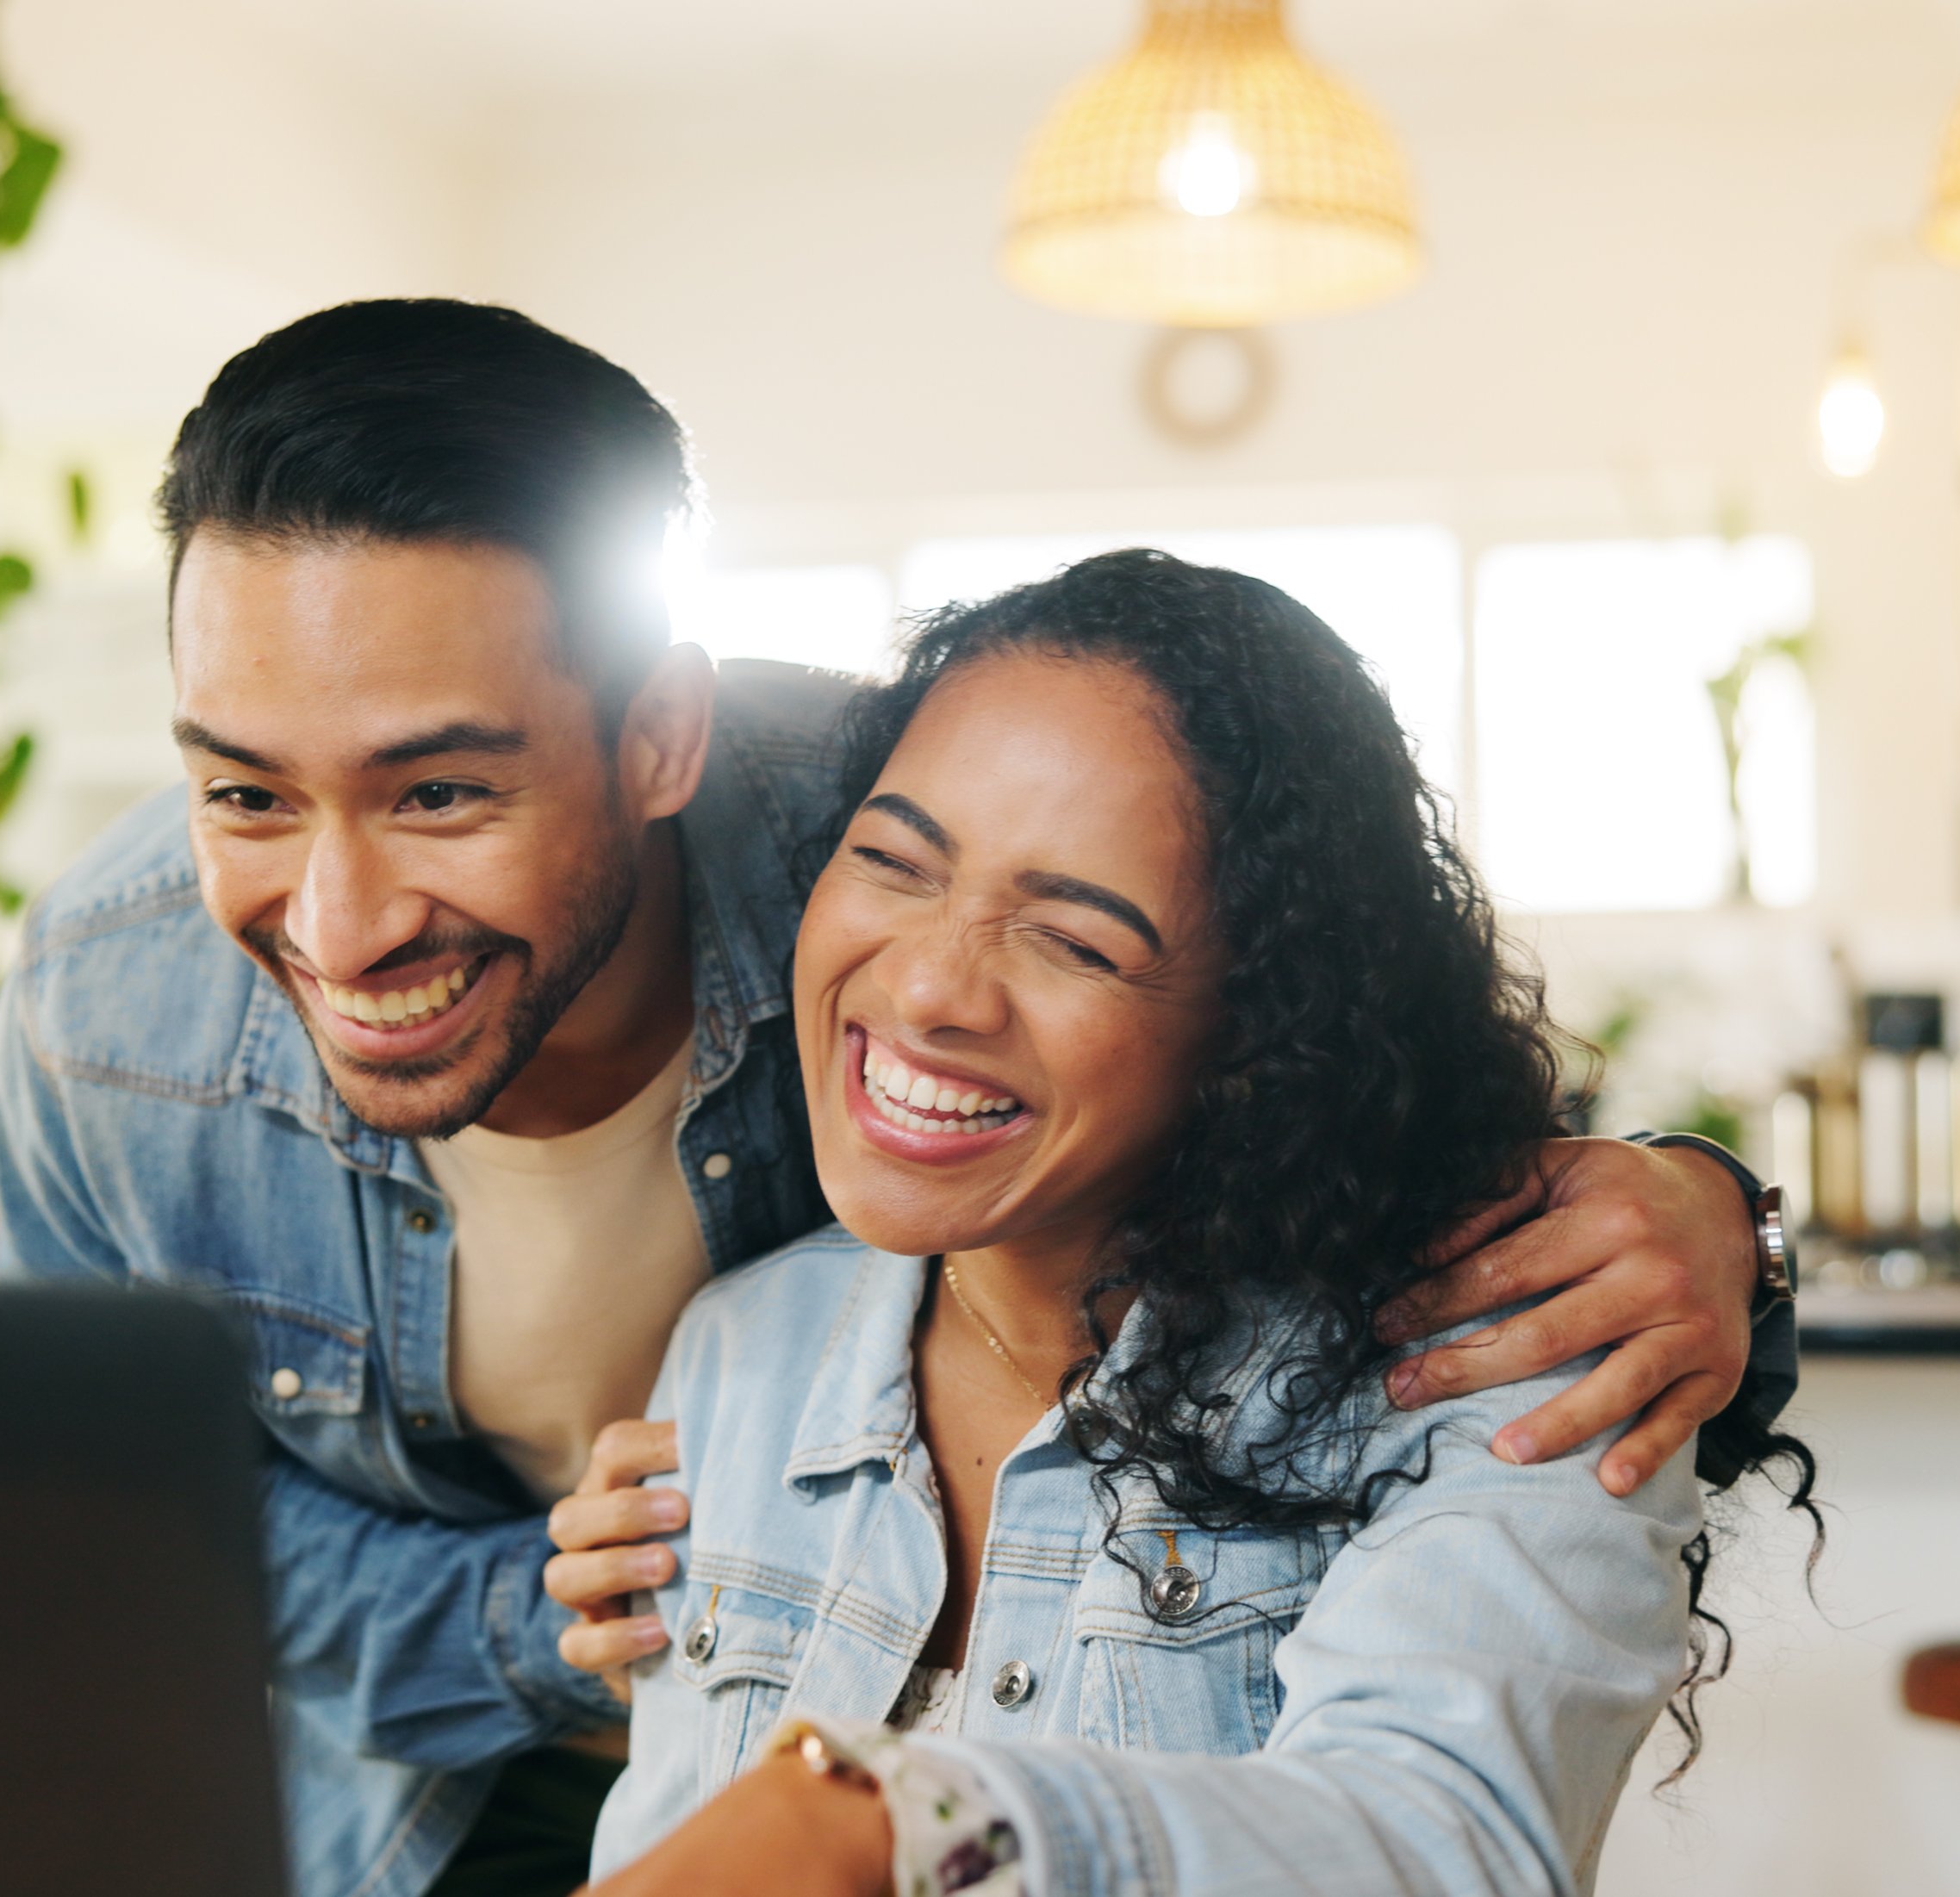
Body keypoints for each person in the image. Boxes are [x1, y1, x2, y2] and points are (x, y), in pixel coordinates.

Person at [0, 300, 1799, 1897]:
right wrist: (533, 1617)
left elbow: (1433, 1832)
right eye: (245, 795)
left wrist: (1704, 1199)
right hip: (399, 1810)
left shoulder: (862, 816)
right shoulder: (114, 1020)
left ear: (657, 745)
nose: (340, 918)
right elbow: (138, 1529)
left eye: (443, 795)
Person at [575, 550, 1815, 1896]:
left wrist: (904, 1817)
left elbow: (1441, 1848)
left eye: (1077, 942)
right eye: (894, 862)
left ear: (1254, 1031)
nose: (932, 986)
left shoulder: (1504, 1352)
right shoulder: (738, 1351)